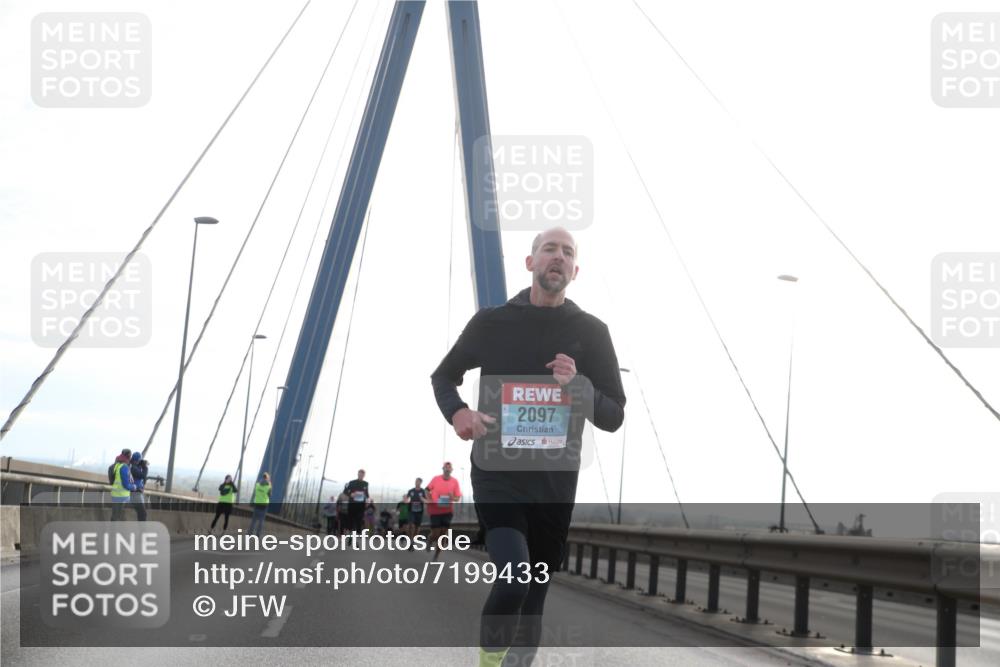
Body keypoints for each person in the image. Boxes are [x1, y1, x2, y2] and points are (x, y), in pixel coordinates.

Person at [431, 227, 626, 667]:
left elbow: (613, 415)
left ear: (575, 271)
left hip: (554, 486)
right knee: (515, 578)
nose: (558, 257)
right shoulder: (492, 322)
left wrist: (579, 387)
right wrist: (459, 413)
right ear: (531, 262)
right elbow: (443, 376)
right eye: (549, 249)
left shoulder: (592, 333)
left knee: (534, 594)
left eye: (567, 253)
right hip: (498, 476)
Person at [425, 462, 462, 560]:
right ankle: (430, 539)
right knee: (436, 534)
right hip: (435, 510)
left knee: (443, 535)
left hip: (447, 511)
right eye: (446, 467)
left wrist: (452, 497)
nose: (447, 469)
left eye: (449, 468)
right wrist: (430, 499)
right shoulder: (436, 479)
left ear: (451, 470)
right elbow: (427, 489)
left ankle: (436, 555)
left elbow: (457, 498)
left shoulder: (455, 482)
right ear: (443, 469)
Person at [109, 451, 137, 521]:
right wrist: (134, 487)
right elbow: (126, 485)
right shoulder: (124, 467)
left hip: (115, 494)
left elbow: (112, 480)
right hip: (121, 496)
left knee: (115, 516)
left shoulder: (117, 465)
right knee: (117, 517)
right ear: (128, 457)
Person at [404, 477, 428, 548]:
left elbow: (426, 501)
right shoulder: (411, 491)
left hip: (419, 511)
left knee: (417, 527)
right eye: (416, 481)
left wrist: (422, 499)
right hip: (411, 510)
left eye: (418, 481)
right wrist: (406, 500)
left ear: (420, 483)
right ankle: (410, 540)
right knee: (411, 525)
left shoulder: (423, 491)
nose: (416, 482)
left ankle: (414, 539)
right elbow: (406, 499)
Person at [248, 472, 271, 537]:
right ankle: (258, 534)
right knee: (261, 521)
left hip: (257, 504)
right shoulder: (268, 487)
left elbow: (256, 492)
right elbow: (269, 495)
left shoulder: (257, 485)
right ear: (267, 479)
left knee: (253, 520)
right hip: (264, 506)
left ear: (262, 478)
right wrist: (269, 484)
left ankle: (250, 533)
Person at [128, 452, 148, 521]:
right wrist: (145, 467)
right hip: (135, 493)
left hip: (137, 493)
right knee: (143, 513)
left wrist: (141, 466)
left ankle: (141, 530)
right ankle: (142, 531)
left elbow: (143, 479)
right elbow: (143, 475)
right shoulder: (133, 468)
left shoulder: (135, 467)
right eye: (140, 460)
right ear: (137, 460)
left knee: (141, 513)